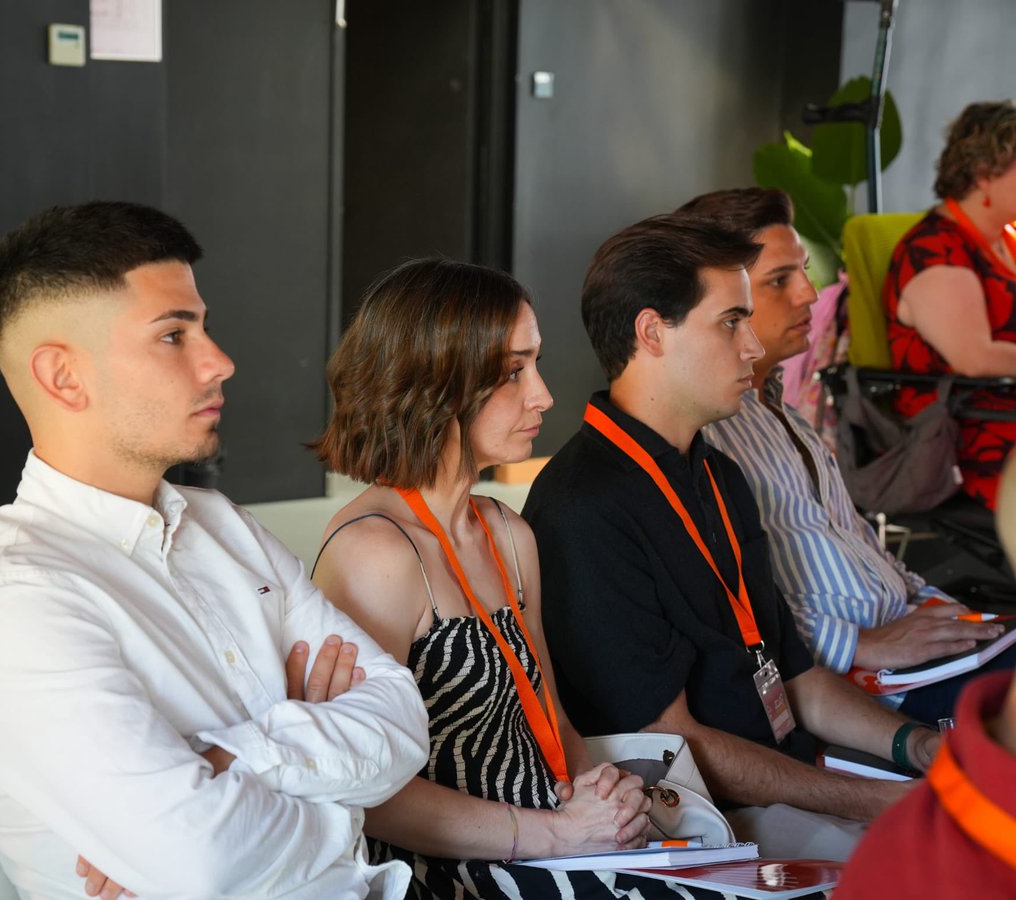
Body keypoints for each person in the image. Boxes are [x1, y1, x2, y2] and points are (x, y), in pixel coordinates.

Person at [0, 201, 429, 899]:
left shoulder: (220, 523)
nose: (219, 360)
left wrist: (237, 755)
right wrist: (336, 802)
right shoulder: (18, 600)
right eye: (173, 335)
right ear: (63, 377)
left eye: (204, 327)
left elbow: (403, 724)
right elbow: (205, 863)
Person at [523, 214, 941, 861]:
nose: (752, 346)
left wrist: (916, 747)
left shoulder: (717, 473)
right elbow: (675, 742)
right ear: (652, 331)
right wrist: (877, 800)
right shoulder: (582, 509)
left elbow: (794, 677)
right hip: (705, 819)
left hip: (795, 773)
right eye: (730, 322)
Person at [309, 258, 726, 900]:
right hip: (457, 871)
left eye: (534, 364)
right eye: (513, 371)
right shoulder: (377, 552)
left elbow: (549, 722)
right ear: (435, 384)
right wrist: (558, 834)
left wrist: (597, 788)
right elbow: (369, 793)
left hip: (555, 841)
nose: (544, 395)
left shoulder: (508, 532)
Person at [679, 187, 1012, 726]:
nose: (811, 295)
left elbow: (859, 545)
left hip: (905, 638)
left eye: (804, 272)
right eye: (779, 281)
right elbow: (726, 600)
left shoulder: (781, 416)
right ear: (722, 299)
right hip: (850, 681)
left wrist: (935, 605)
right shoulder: (704, 434)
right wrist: (859, 644)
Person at [837, 454, 1016, 898]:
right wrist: (856, 643)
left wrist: (933, 604)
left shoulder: (895, 863)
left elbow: (871, 550)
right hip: (871, 669)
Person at [883, 99, 1016, 510]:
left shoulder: (1005, 239)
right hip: (973, 432)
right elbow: (975, 358)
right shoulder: (935, 250)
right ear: (984, 175)